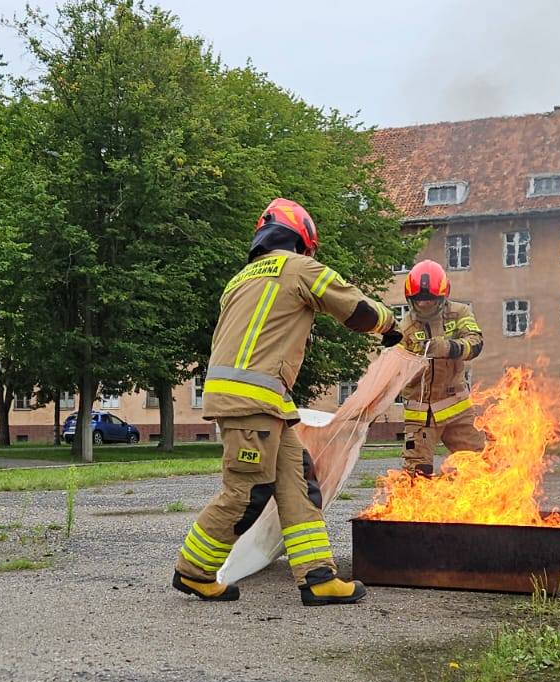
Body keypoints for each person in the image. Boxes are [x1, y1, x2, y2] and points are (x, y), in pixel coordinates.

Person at [172, 198, 401, 607]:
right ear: (302, 240)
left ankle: (317, 577)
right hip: (254, 402)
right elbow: (357, 308)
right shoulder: (298, 268)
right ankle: (194, 571)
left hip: (261, 402)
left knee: (299, 482)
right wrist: (390, 325)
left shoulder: (240, 279)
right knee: (245, 492)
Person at [397, 260, 485, 476]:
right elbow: (392, 370)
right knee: (417, 473)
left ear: (443, 297)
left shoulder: (460, 313)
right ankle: (416, 510)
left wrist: (450, 347)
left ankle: (477, 508)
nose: (424, 305)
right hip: (421, 414)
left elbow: (476, 343)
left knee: (481, 464)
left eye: (430, 300)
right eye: (419, 301)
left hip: (457, 408)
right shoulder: (404, 328)